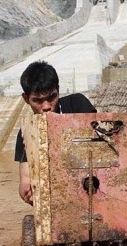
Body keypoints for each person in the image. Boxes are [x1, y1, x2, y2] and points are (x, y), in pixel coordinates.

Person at [15, 61, 96, 204]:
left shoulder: (78, 104)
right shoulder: (27, 132)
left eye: (51, 97)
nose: (46, 107)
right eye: (38, 101)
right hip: (59, 200)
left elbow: (99, 141)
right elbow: (26, 177)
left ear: (58, 90)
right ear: (26, 99)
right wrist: (26, 191)